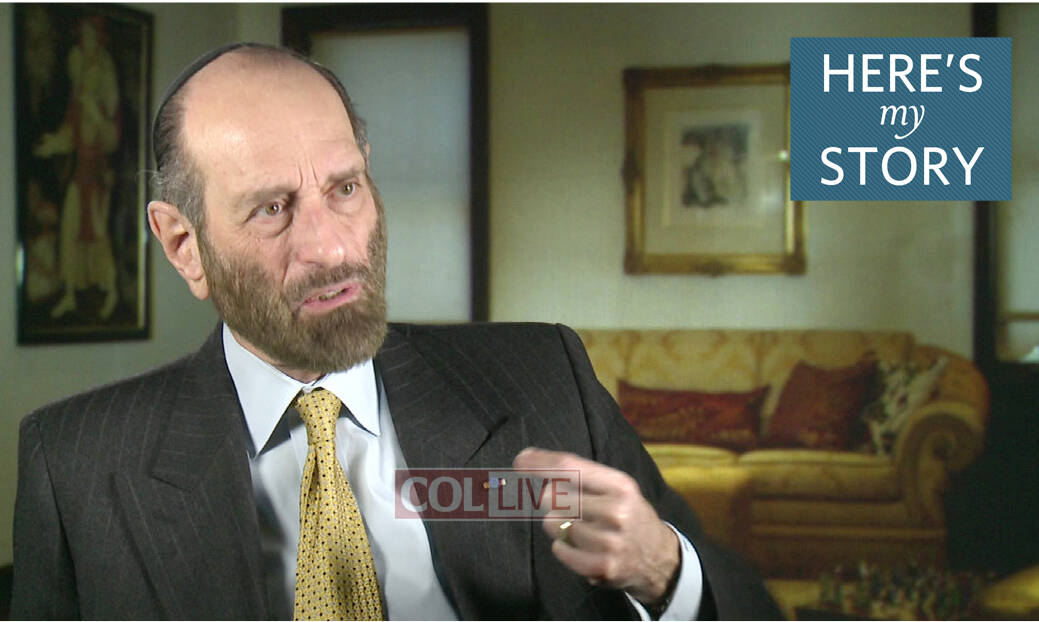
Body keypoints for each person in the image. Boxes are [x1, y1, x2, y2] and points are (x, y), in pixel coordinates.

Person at [11, 43, 780, 620]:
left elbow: (745, 607)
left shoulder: (544, 379)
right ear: (184, 245)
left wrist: (662, 572)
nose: (332, 248)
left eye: (344, 188)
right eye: (273, 208)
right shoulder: (76, 464)